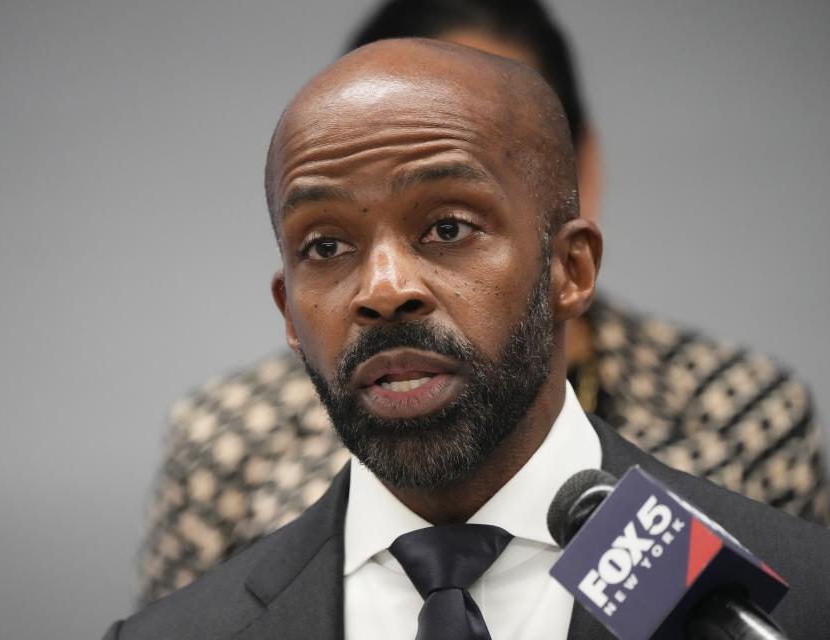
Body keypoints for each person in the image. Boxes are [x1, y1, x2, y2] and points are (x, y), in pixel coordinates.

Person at [105, 39, 830, 639]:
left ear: (570, 269)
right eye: (325, 247)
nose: (384, 288)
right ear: (289, 315)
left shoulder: (799, 601)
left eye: (448, 228)